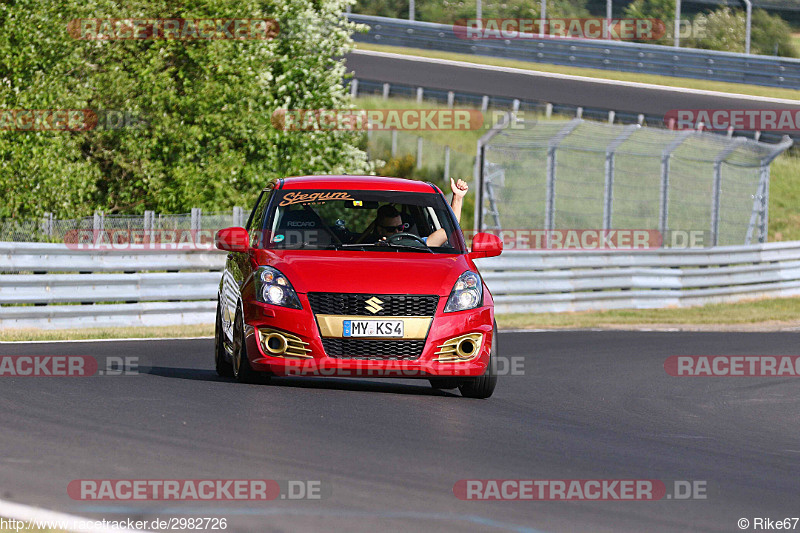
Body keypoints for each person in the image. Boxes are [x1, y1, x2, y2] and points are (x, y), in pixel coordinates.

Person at [361, 178, 469, 246]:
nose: (397, 233)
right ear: (380, 230)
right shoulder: (370, 249)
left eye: (400, 228)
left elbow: (450, 227)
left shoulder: (417, 245)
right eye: (391, 230)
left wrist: (458, 197)